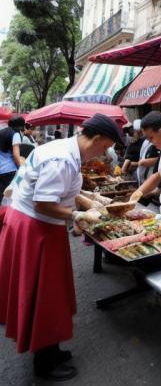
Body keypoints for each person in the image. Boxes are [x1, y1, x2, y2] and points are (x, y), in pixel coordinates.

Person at [0, 113, 121, 381]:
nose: (105, 153)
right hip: (35, 228)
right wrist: (76, 216)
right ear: (97, 138)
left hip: (37, 225)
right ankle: (44, 363)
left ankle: (50, 349)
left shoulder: (66, 150)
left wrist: (90, 199)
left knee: (51, 292)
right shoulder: (62, 158)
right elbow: (44, 202)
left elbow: (62, 190)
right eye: (106, 147)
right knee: (44, 295)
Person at [0, 115, 25, 202]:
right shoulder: (15, 134)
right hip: (8, 170)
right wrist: (23, 168)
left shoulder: (1, 132)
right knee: (7, 196)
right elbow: (16, 155)